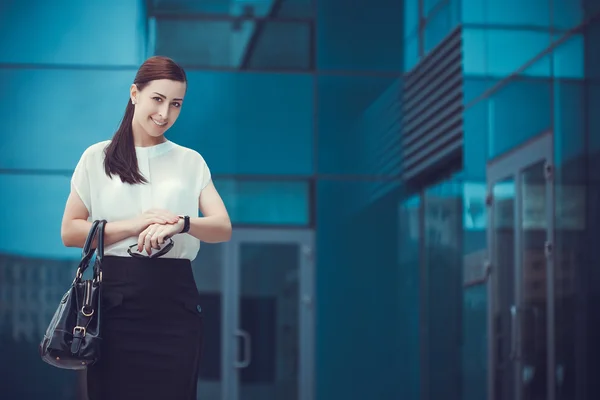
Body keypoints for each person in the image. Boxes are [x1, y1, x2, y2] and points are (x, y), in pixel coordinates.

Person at [60, 55, 232, 400]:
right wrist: (136, 225)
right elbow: (71, 232)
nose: (164, 113)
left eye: (176, 104)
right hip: (115, 301)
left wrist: (181, 224)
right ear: (135, 93)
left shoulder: (190, 160)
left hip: (175, 301)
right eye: (157, 99)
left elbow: (222, 228)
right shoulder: (98, 157)